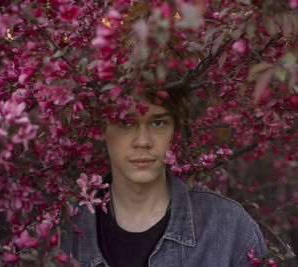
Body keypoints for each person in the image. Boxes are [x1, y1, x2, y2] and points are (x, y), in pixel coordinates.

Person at [61, 88, 268, 267]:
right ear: (100, 130)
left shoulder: (229, 226)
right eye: (126, 122)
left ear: (174, 130)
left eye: (158, 123)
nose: (143, 142)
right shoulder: (63, 232)